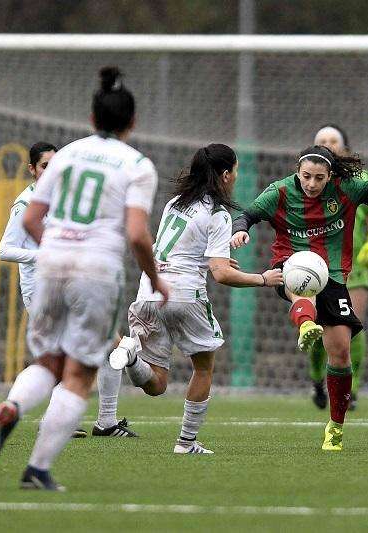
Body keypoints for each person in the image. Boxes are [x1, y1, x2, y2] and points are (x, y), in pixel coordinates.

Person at [0, 66, 166, 491]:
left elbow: (31, 218)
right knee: (79, 374)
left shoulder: (65, 156)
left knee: (47, 363)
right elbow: (137, 234)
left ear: (91, 119)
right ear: (132, 123)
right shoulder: (137, 165)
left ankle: (11, 406)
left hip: (50, 265)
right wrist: (155, 277)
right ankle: (37, 469)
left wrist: (58, 250)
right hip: (96, 272)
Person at [231, 146, 368, 451]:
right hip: (289, 263)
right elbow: (248, 214)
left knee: (340, 353)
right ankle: (306, 323)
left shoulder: (346, 189)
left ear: (329, 176)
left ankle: (335, 427)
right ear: (298, 172)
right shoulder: (280, 192)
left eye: (319, 178)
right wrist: (241, 230)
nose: (311, 183)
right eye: (306, 176)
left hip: (333, 275)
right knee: (300, 282)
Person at [109, 144, 283, 454]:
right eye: (236, 170)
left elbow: (181, 251)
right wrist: (263, 279)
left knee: (157, 383)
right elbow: (222, 275)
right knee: (203, 369)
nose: (236, 177)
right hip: (187, 297)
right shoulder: (218, 213)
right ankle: (186, 443)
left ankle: (130, 355)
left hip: (150, 293)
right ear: (226, 174)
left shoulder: (175, 203)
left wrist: (209, 260)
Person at [0, 142, 136, 441]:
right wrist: (47, 253)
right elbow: (5, 250)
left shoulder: (63, 198)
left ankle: (105, 421)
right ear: (32, 169)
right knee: (68, 355)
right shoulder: (25, 203)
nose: (51, 170)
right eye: (45, 165)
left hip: (74, 284)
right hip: (41, 288)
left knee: (109, 347)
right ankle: (54, 419)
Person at [308, 124, 368, 411]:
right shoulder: (309, 180)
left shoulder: (360, 179)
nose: (328, 144)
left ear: (345, 147)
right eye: (321, 140)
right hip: (318, 268)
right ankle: (317, 378)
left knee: (353, 328)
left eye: (333, 140)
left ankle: (351, 389)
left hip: (354, 268)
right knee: (316, 330)